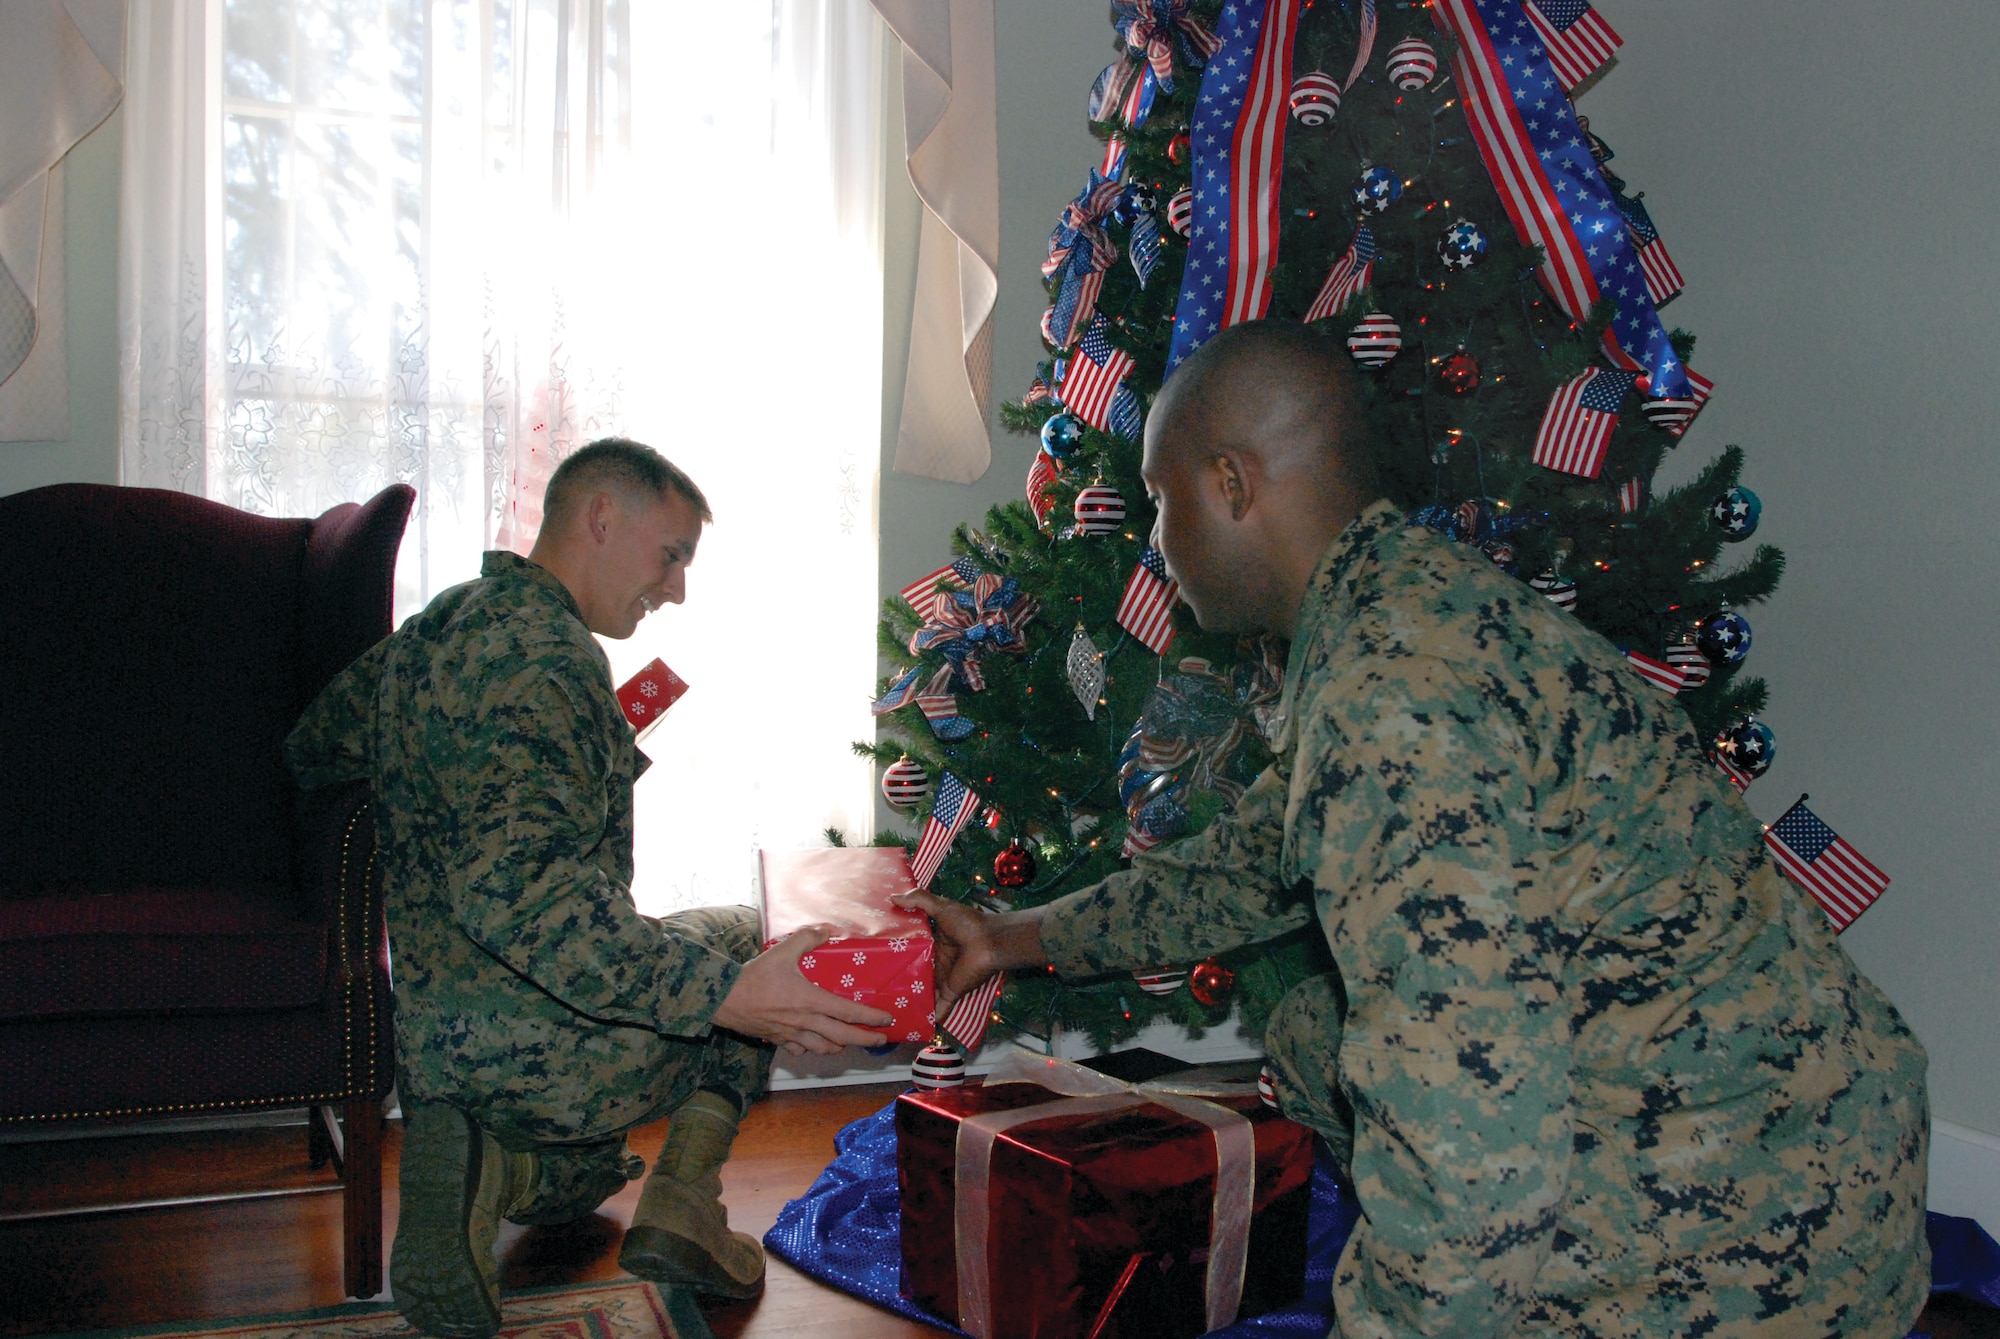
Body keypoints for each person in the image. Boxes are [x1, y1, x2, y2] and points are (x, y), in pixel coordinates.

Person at [900, 322, 1931, 1339]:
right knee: (1313, 1032)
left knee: (1435, 1144)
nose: (1157, 545)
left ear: (1230, 483)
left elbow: (1471, 1156)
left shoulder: (1391, 705)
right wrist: (1003, 938)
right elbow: (1238, 870)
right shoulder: (1405, 603)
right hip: (1800, 1109)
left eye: (1163, 503)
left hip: (1750, 1232)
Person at [287, 438, 892, 1339]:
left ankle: (493, 1169)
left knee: (590, 1179)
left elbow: (313, 747)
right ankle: (683, 1203)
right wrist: (731, 994)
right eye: (671, 553)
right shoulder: (552, 660)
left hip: (436, 1045)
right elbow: (528, 899)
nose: (676, 588)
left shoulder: (442, 626)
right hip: (541, 1041)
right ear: (600, 518)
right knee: (749, 935)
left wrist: (571, 748)